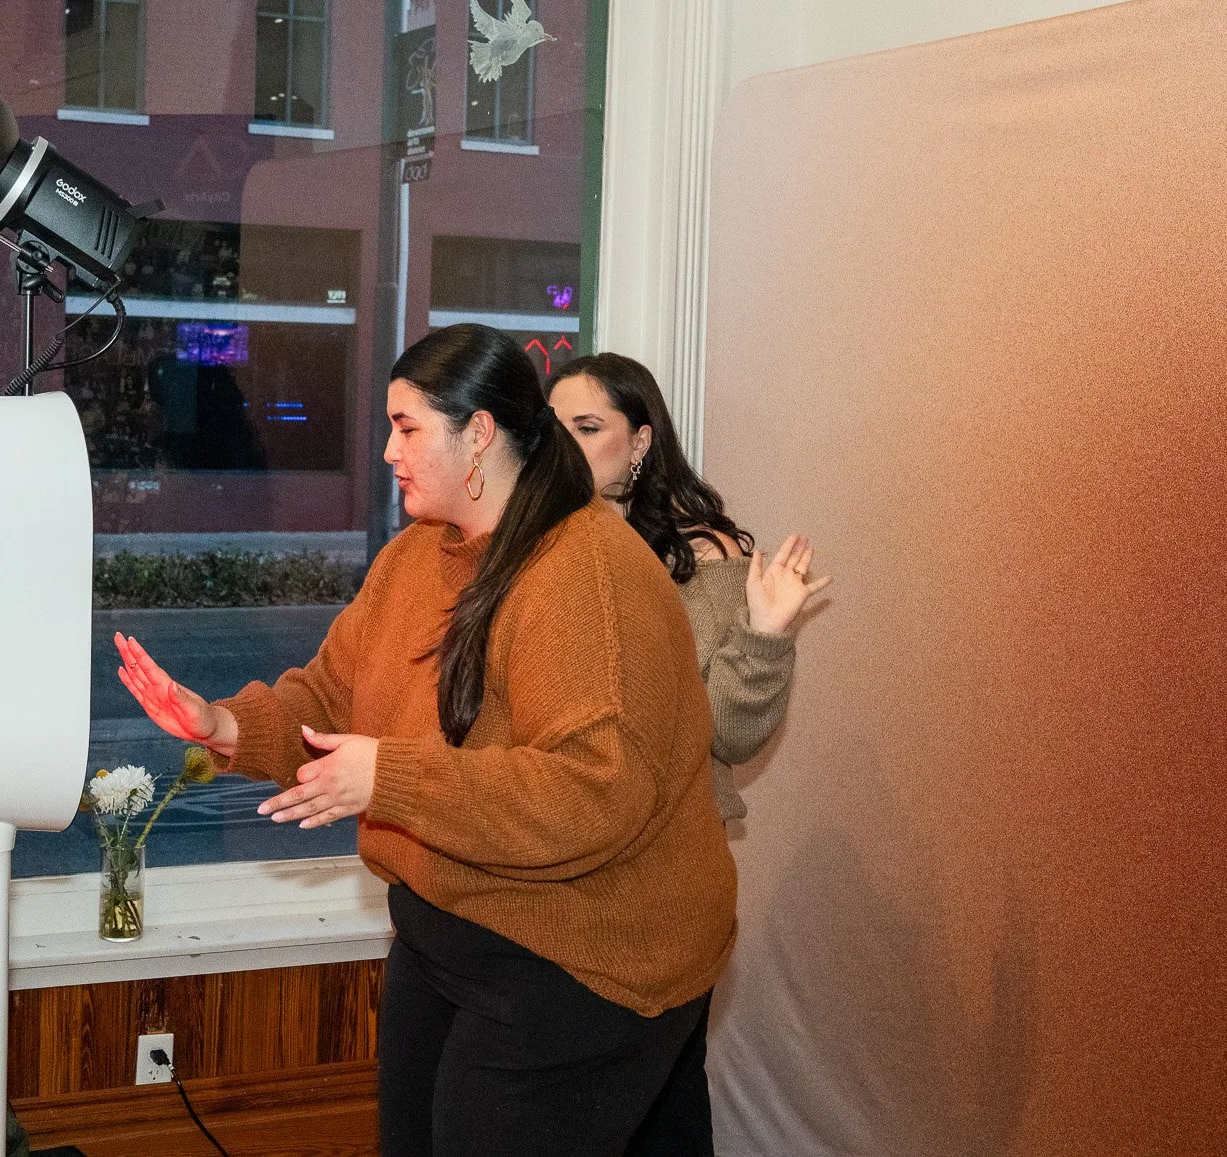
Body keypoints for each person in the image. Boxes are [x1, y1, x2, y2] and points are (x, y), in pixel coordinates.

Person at [113, 324, 736, 1156]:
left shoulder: (585, 572)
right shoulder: (418, 557)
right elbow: (332, 693)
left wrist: (391, 777)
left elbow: (595, 791)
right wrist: (224, 724)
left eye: (407, 428)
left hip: (588, 961)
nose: (385, 451)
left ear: (478, 433)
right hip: (449, 927)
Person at [547, 350, 830, 1156]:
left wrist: (767, 636)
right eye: (555, 427)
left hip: (661, 879)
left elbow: (726, 735)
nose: (567, 445)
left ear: (640, 441)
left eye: (589, 426)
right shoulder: (536, 547)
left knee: (660, 1110)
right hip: (559, 874)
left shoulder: (703, 560)